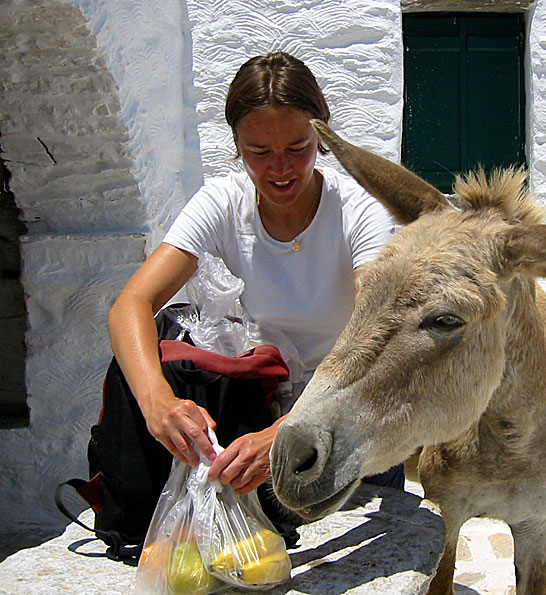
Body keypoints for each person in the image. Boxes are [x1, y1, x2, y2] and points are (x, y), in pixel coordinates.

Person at [107, 51, 399, 509]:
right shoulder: (224, 203)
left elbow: (382, 339)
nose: (279, 170)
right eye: (259, 153)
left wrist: (291, 433)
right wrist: (157, 402)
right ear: (237, 144)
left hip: (352, 412)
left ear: (322, 137)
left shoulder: (359, 213)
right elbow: (132, 304)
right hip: (264, 415)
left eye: (297, 149)